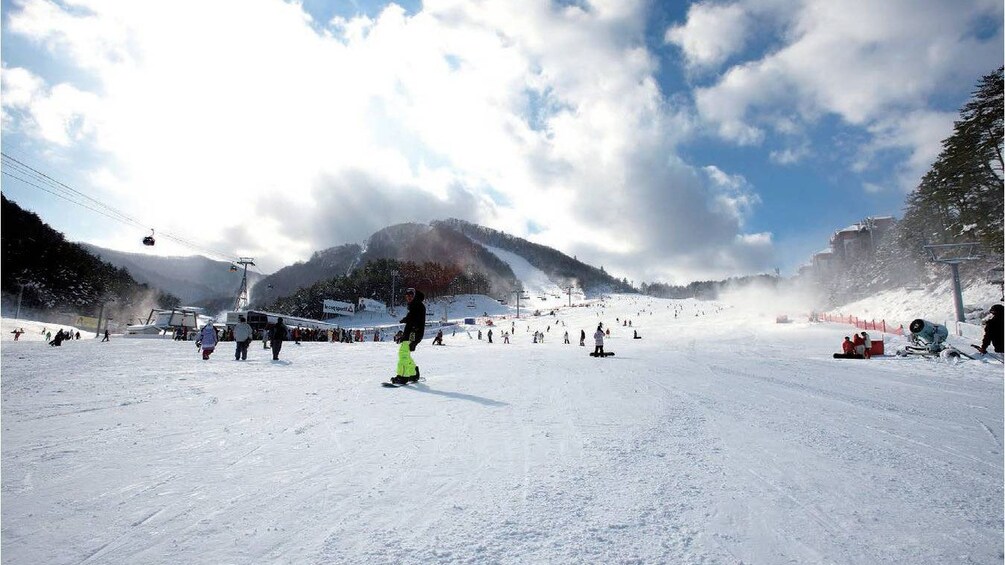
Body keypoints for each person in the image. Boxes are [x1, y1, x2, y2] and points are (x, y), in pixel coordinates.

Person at [391, 288, 425, 385]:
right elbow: (412, 318)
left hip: (413, 333)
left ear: (414, 296)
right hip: (411, 333)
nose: (408, 298)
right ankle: (413, 373)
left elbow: (416, 320)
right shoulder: (415, 305)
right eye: (407, 296)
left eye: (410, 296)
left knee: (403, 354)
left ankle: (403, 376)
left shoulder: (418, 305)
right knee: (405, 354)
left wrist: (413, 337)